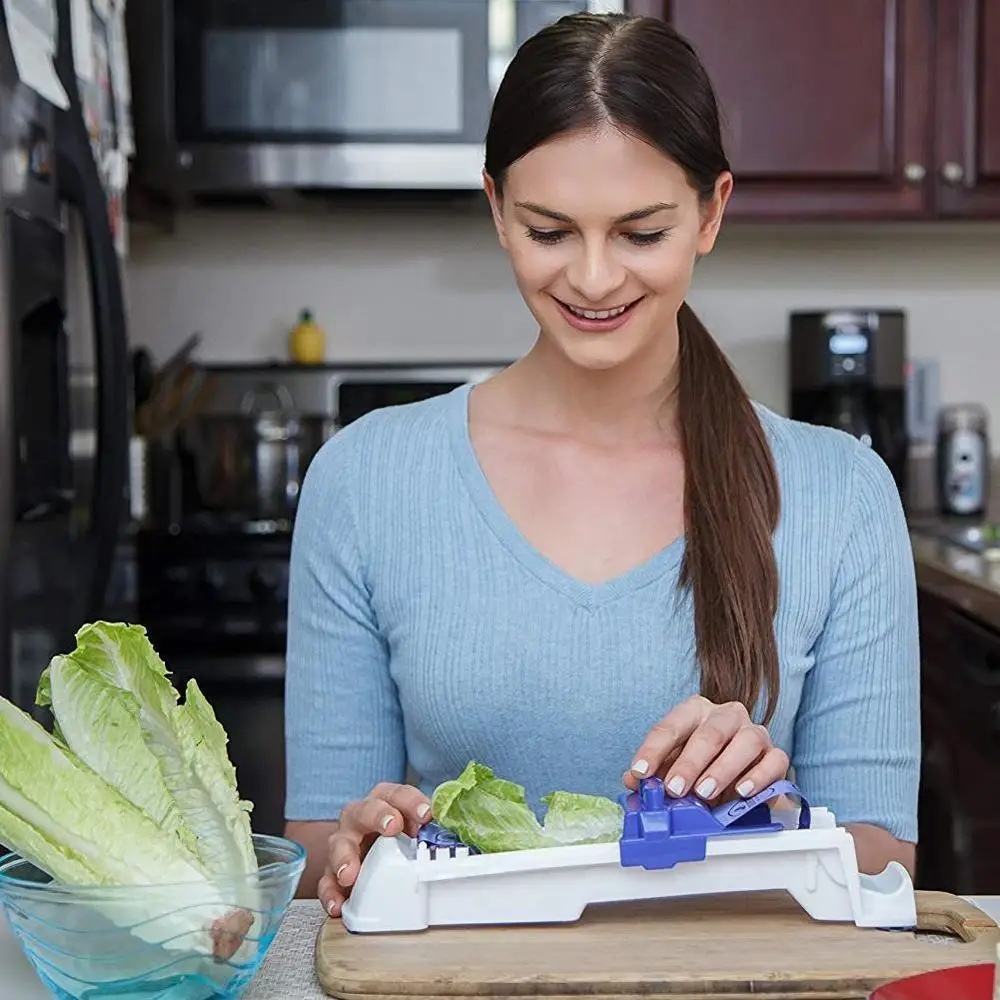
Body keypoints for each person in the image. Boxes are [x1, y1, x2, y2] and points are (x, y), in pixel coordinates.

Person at [283, 12, 920, 915]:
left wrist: (771, 818)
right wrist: (354, 846)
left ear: (712, 212)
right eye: (549, 231)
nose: (591, 278)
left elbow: (887, 865)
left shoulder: (844, 497)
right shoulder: (362, 482)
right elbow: (318, 849)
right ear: (497, 210)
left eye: (640, 233)